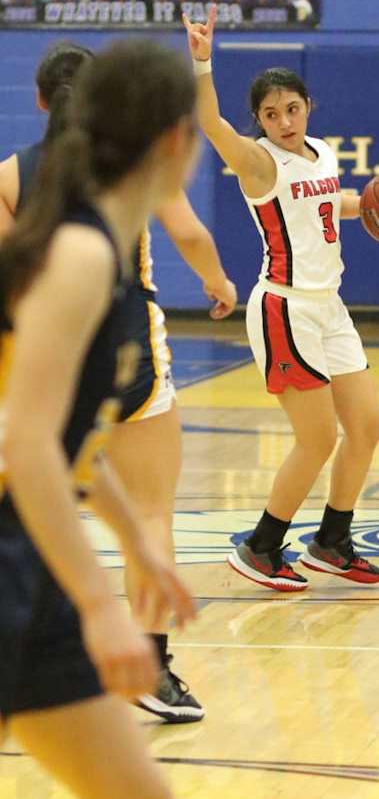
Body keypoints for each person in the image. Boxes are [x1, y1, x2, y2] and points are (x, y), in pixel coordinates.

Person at [0, 41, 237, 720]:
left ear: (43, 101)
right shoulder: (90, 248)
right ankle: (153, 664)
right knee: (152, 505)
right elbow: (34, 440)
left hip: (64, 368)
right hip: (119, 353)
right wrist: (219, 282)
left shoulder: (14, 178)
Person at [183, 7, 379, 591]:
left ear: (307, 108)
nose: (283, 120)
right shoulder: (256, 161)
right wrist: (201, 61)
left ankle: (331, 541)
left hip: (330, 306)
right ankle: (261, 546)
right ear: (260, 122)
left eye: (291, 108)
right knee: (317, 438)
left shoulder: (320, 152)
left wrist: (370, 204)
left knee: (365, 429)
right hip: (284, 308)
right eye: (270, 114)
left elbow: (323, 203)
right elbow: (211, 122)